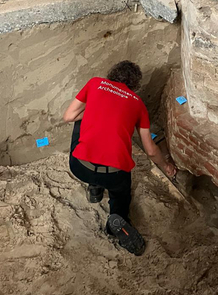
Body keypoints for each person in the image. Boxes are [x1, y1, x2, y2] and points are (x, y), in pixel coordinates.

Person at [62, 61, 175, 255]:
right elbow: (150, 150)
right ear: (135, 85)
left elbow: (69, 116)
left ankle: (94, 189)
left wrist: (95, 112)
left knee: (80, 125)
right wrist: (166, 165)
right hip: (113, 176)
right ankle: (116, 220)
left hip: (79, 167)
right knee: (121, 193)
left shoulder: (95, 83)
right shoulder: (138, 104)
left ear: (111, 74)